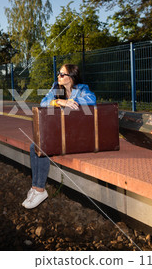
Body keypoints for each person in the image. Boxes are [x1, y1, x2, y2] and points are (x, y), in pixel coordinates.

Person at [22, 64, 96, 209]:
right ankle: (36, 188)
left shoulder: (82, 89)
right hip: (61, 132)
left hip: (77, 136)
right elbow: (43, 102)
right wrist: (59, 102)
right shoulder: (56, 87)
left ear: (71, 77)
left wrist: (72, 102)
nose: (59, 77)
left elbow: (91, 100)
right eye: (58, 74)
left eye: (62, 74)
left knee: (42, 146)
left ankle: (39, 189)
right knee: (34, 146)